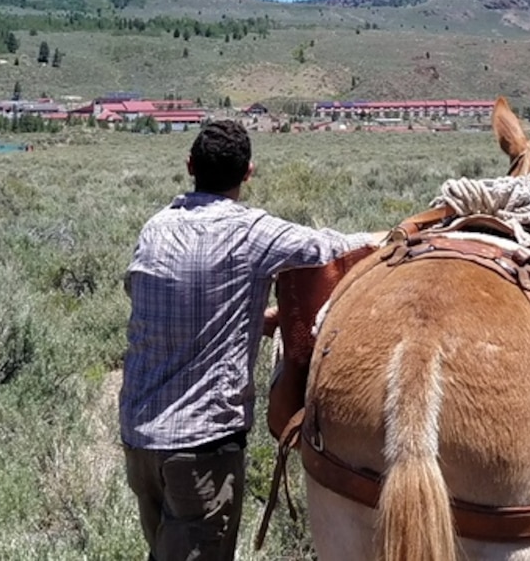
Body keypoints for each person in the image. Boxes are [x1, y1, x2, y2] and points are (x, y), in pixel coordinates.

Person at [119, 119, 371, 561]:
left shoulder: (154, 228)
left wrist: (250, 318)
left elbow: (153, 301)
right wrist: (413, 234)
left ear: (190, 165)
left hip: (140, 442)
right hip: (200, 448)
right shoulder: (249, 231)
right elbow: (330, 249)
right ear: (248, 172)